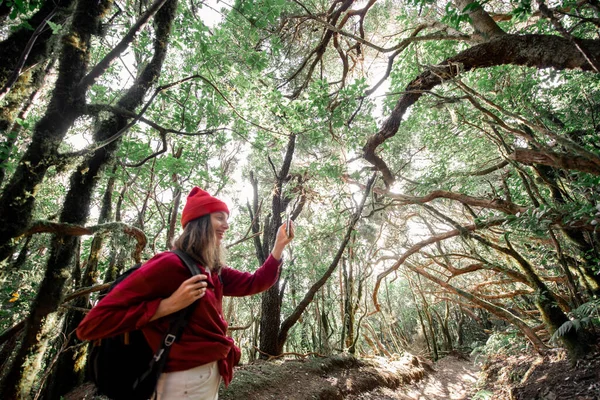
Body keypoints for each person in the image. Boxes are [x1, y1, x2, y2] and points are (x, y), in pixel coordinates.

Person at [77, 187, 294, 399]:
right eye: (219, 217)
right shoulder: (171, 264)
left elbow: (255, 282)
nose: (226, 225)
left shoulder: (212, 269)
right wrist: (167, 306)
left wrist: (278, 246)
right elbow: (92, 325)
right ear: (199, 221)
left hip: (208, 375)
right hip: (181, 382)